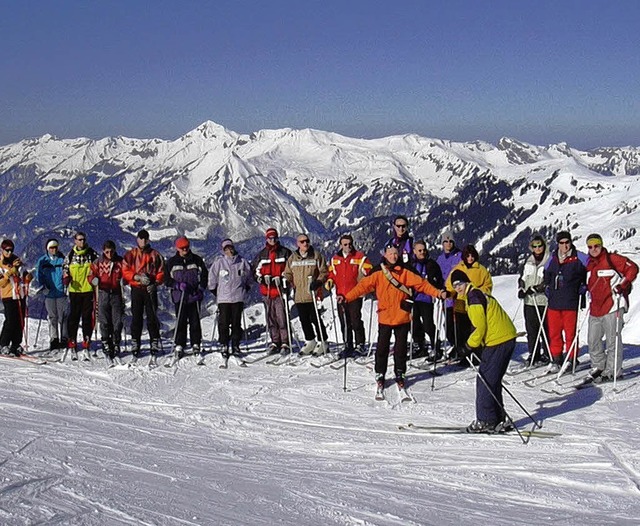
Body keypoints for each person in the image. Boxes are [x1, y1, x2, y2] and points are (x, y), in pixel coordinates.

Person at [339, 245, 447, 396]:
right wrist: (347, 297)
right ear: (386, 255)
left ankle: (400, 373)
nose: (394, 256)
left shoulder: (405, 272)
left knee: (400, 349)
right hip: (385, 317)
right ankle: (380, 373)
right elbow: (362, 286)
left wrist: (437, 293)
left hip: (401, 317)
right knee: (382, 349)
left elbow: (422, 285)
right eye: (391, 254)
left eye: (396, 254)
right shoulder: (378, 273)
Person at [450, 270, 517, 434]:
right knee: (491, 380)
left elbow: (480, 328)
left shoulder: (473, 299)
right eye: (455, 285)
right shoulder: (476, 294)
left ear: (466, 282)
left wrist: (468, 346)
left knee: (485, 381)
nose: (458, 288)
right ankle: (497, 418)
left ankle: (486, 420)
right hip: (504, 337)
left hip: (498, 340)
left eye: (460, 284)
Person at [585, 233, 638, 382]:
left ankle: (613, 371)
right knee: (593, 340)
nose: (594, 249)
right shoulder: (590, 264)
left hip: (613, 305)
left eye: (597, 245)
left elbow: (633, 268)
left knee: (612, 341)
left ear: (601, 245)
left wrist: (623, 285)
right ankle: (598, 367)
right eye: (590, 246)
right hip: (595, 307)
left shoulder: (612, 259)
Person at [543, 231, 588, 373]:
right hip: (554, 302)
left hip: (570, 302)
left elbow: (591, 268)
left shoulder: (578, 257)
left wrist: (585, 285)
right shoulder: (553, 257)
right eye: (561, 243)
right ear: (558, 244)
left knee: (570, 333)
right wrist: (546, 286)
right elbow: (546, 273)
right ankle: (556, 357)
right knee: (554, 332)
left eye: (567, 242)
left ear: (570, 242)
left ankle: (571, 358)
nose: (565, 245)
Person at [445, 244, 493, 364]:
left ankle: (476, 354)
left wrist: (478, 293)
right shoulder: (458, 269)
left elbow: (488, 286)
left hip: (475, 305)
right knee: (461, 331)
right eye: (468, 256)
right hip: (461, 306)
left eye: (472, 256)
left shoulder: (481, 270)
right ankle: (463, 354)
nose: (470, 258)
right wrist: (448, 294)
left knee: (475, 330)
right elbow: (449, 285)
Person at [283, 234, 329, 356]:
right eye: (302, 242)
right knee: (304, 319)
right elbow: (288, 273)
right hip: (299, 294)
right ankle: (310, 340)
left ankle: (323, 341)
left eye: (307, 241)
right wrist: (285, 281)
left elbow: (324, 271)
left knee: (315, 318)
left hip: (312, 294)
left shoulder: (316, 255)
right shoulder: (293, 258)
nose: (305, 244)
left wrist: (319, 281)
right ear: (297, 244)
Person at [326, 234, 372, 356]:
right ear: (341, 245)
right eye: (345, 244)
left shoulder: (360, 257)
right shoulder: (335, 259)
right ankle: (348, 345)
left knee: (355, 320)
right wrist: (330, 281)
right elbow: (331, 273)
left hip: (355, 294)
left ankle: (360, 345)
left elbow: (369, 271)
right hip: (341, 295)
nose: (348, 246)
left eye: (350, 244)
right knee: (344, 322)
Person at [122, 229, 165, 358]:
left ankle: (154, 341)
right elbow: (125, 270)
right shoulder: (131, 254)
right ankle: (135, 341)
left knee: (152, 316)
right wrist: (136, 277)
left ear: (148, 239)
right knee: (136, 317)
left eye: (146, 238)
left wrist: (156, 283)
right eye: (141, 238)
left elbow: (161, 271)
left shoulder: (155, 254)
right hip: (137, 289)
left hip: (150, 289)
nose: (143, 241)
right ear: (137, 239)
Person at [165, 236, 208, 359]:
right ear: (177, 248)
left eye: (187, 247)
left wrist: (201, 289)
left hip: (194, 296)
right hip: (180, 296)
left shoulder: (196, 260)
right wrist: (176, 285)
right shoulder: (172, 262)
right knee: (181, 321)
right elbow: (166, 279)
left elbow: (204, 275)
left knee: (195, 321)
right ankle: (179, 344)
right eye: (182, 248)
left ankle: (196, 343)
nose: (185, 250)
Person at [208, 238, 252, 358]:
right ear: (223, 250)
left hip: (238, 297)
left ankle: (235, 344)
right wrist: (215, 290)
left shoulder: (242, 262)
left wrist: (245, 289)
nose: (229, 250)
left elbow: (249, 277)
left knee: (236, 323)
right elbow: (211, 278)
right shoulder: (219, 263)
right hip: (223, 298)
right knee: (223, 323)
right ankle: (224, 344)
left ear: (233, 247)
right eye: (226, 249)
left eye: (230, 248)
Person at [252, 227, 292, 354]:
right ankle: (275, 341)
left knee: (282, 317)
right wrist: (262, 279)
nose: (272, 240)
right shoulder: (262, 254)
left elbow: (290, 270)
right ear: (267, 239)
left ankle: (285, 342)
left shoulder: (285, 252)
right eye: (270, 238)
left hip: (280, 291)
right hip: (267, 291)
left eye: (274, 237)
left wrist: (282, 279)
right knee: (271, 317)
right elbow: (255, 272)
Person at [87, 240, 125, 364]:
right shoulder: (98, 262)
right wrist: (93, 280)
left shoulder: (120, 261)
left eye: (112, 251)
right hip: (102, 292)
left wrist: (126, 280)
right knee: (103, 320)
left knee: (117, 320)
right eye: (107, 252)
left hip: (116, 293)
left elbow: (127, 273)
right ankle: (105, 342)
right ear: (103, 251)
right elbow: (90, 274)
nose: (109, 254)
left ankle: (116, 341)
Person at [63, 231, 99, 359]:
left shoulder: (92, 254)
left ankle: (86, 338)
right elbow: (65, 268)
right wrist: (66, 277)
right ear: (75, 241)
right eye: (79, 240)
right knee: (73, 316)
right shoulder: (71, 255)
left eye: (83, 239)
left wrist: (95, 278)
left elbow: (98, 267)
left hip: (88, 290)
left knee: (87, 317)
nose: (81, 242)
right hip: (74, 290)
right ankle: (72, 339)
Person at [517, 234, 550, 366]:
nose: (537, 248)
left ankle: (548, 353)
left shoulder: (549, 261)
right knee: (531, 329)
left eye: (539, 246)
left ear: (544, 246)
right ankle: (534, 354)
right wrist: (521, 288)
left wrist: (537, 288)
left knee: (545, 329)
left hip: (543, 301)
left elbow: (549, 280)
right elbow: (523, 277)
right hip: (529, 301)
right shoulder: (529, 261)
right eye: (534, 246)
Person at [411, 240, 444, 360]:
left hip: (427, 298)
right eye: (419, 250)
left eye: (424, 250)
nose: (422, 252)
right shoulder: (411, 264)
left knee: (428, 324)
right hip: (413, 298)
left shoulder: (431, 264)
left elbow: (439, 279)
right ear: (414, 251)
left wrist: (440, 290)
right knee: (414, 324)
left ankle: (436, 347)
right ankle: (420, 346)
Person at [34, 238, 69, 351]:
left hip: (61, 292)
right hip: (49, 292)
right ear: (47, 249)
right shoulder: (42, 261)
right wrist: (43, 285)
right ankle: (54, 338)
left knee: (62, 316)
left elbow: (67, 273)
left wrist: (66, 283)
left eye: (55, 247)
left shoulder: (62, 259)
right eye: (51, 247)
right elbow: (38, 275)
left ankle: (64, 338)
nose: (54, 249)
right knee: (52, 317)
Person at [0, 240, 32, 355]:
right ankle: (3, 344)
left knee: (20, 320)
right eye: (7, 250)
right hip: (8, 294)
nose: (9, 252)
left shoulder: (17, 261)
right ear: (2, 250)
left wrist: (27, 276)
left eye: (11, 250)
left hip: (20, 294)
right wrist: (8, 273)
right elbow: (1, 283)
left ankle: (16, 344)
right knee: (10, 321)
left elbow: (23, 273)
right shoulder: (1, 263)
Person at [436, 230, 462, 356]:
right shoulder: (440, 259)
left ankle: (460, 347)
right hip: (446, 298)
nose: (448, 244)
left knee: (457, 324)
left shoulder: (459, 256)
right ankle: (455, 345)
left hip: (457, 297)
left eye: (450, 241)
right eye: (445, 241)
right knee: (448, 326)